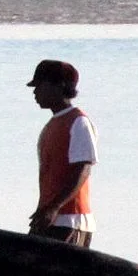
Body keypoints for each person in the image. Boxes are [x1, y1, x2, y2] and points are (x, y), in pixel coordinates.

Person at [26, 59, 97, 246]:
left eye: (40, 85)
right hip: (50, 218)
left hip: (70, 221)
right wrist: (45, 210)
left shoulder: (78, 122)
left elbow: (83, 170)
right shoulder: (52, 125)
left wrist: (54, 207)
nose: (35, 92)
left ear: (59, 86)